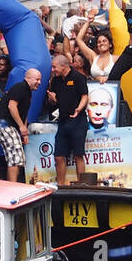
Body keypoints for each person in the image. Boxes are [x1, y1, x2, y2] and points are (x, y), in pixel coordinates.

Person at [47, 54, 89, 185]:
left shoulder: (78, 77)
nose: (53, 70)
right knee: (58, 155)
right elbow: (54, 101)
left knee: (78, 155)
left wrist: (79, 109)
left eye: (54, 67)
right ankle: (60, 185)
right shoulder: (56, 81)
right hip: (63, 121)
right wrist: (52, 99)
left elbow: (85, 96)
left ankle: (81, 185)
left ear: (63, 66)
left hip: (78, 121)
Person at [0, 68, 39, 184]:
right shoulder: (20, 88)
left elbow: (24, 113)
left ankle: (13, 184)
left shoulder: (28, 92)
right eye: (37, 79)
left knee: (18, 158)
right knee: (15, 158)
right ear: (28, 78)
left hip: (10, 126)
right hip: (5, 125)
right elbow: (11, 106)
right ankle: (12, 186)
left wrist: (24, 131)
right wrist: (21, 126)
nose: (39, 82)